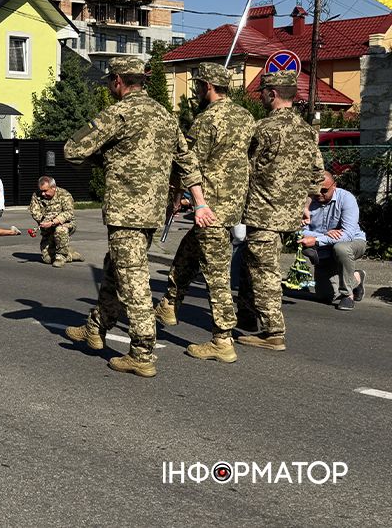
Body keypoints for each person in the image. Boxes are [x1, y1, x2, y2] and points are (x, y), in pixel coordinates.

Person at [62, 56, 209, 379]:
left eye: (109, 81)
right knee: (115, 266)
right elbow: (187, 163)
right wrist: (199, 202)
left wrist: (107, 157)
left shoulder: (118, 113)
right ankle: (96, 326)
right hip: (152, 212)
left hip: (125, 211)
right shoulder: (165, 116)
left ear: (118, 81)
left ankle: (142, 353)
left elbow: (73, 149)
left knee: (134, 281)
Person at [154, 62, 256, 362]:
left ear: (208, 87)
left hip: (209, 208)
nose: (196, 90)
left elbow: (188, 163)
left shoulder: (206, 120)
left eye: (198, 85)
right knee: (188, 250)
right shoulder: (246, 117)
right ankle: (170, 303)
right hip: (232, 205)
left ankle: (222, 339)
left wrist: (179, 197)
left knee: (216, 274)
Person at [236, 69, 325, 351]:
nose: (260, 97)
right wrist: (305, 205)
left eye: (262, 92)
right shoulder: (307, 131)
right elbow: (317, 173)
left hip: (264, 212)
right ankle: (247, 314)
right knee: (251, 262)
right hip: (289, 214)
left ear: (272, 94)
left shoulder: (263, 128)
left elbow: (244, 167)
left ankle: (274, 331)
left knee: (264, 270)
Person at [300, 172, 366, 311]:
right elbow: (299, 231)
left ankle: (347, 295)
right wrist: (324, 234)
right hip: (325, 248)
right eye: (316, 190)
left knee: (341, 248)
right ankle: (356, 277)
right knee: (325, 296)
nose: (319, 194)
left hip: (353, 242)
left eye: (324, 190)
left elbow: (347, 235)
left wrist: (316, 240)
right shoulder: (307, 201)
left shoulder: (347, 198)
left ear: (334, 186)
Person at [28, 176, 81, 267]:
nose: (43, 194)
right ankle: (69, 254)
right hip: (47, 228)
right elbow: (34, 212)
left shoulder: (64, 195)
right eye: (41, 191)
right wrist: (43, 221)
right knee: (47, 259)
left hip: (65, 224)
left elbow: (69, 213)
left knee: (60, 230)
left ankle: (61, 257)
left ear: (53, 187)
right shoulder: (37, 195)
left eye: (45, 191)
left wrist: (53, 222)